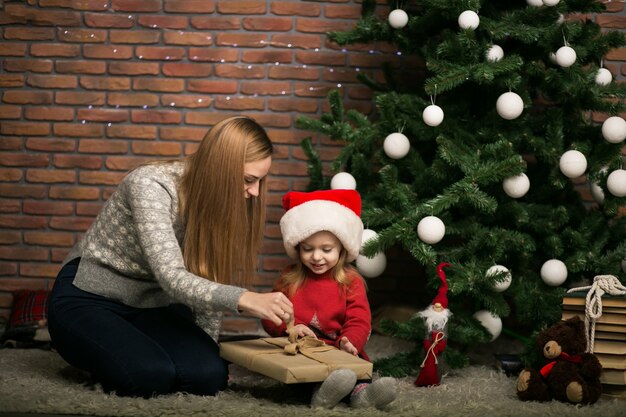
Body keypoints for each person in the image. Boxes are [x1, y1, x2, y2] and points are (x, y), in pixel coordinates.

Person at [47, 116, 294, 398]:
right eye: (249, 180)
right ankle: (93, 350)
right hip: (90, 296)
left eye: (260, 181)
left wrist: (204, 348)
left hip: (152, 305)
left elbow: (207, 281)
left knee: (209, 377)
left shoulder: (222, 202)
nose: (255, 192)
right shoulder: (150, 185)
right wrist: (245, 299)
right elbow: (172, 276)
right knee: (150, 375)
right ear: (221, 169)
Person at [262, 189, 397, 410]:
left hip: (340, 351)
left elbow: (359, 319)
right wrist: (292, 328)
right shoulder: (289, 278)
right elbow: (270, 315)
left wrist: (350, 341)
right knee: (307, 375)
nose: (316, 257)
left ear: (342, 249)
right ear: (297, 248)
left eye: (326, 249)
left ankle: (363, 396)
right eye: (308, 249)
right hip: (303, 352)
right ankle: (322, 395)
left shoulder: (350, 281)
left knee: (354, 374)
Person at [414, 262, 452, 387]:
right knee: (427, 362)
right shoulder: (429, 320)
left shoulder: (444, 321)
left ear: (443, 309)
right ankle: (424, 379)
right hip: (429, 344)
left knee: (437, 363)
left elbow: (444, 333)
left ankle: (437, 379)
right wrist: (427, 341)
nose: (437, 309)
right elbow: (427, 332)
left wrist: (441, 344)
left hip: (438, 346)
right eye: (435, 307)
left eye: (439, 308)